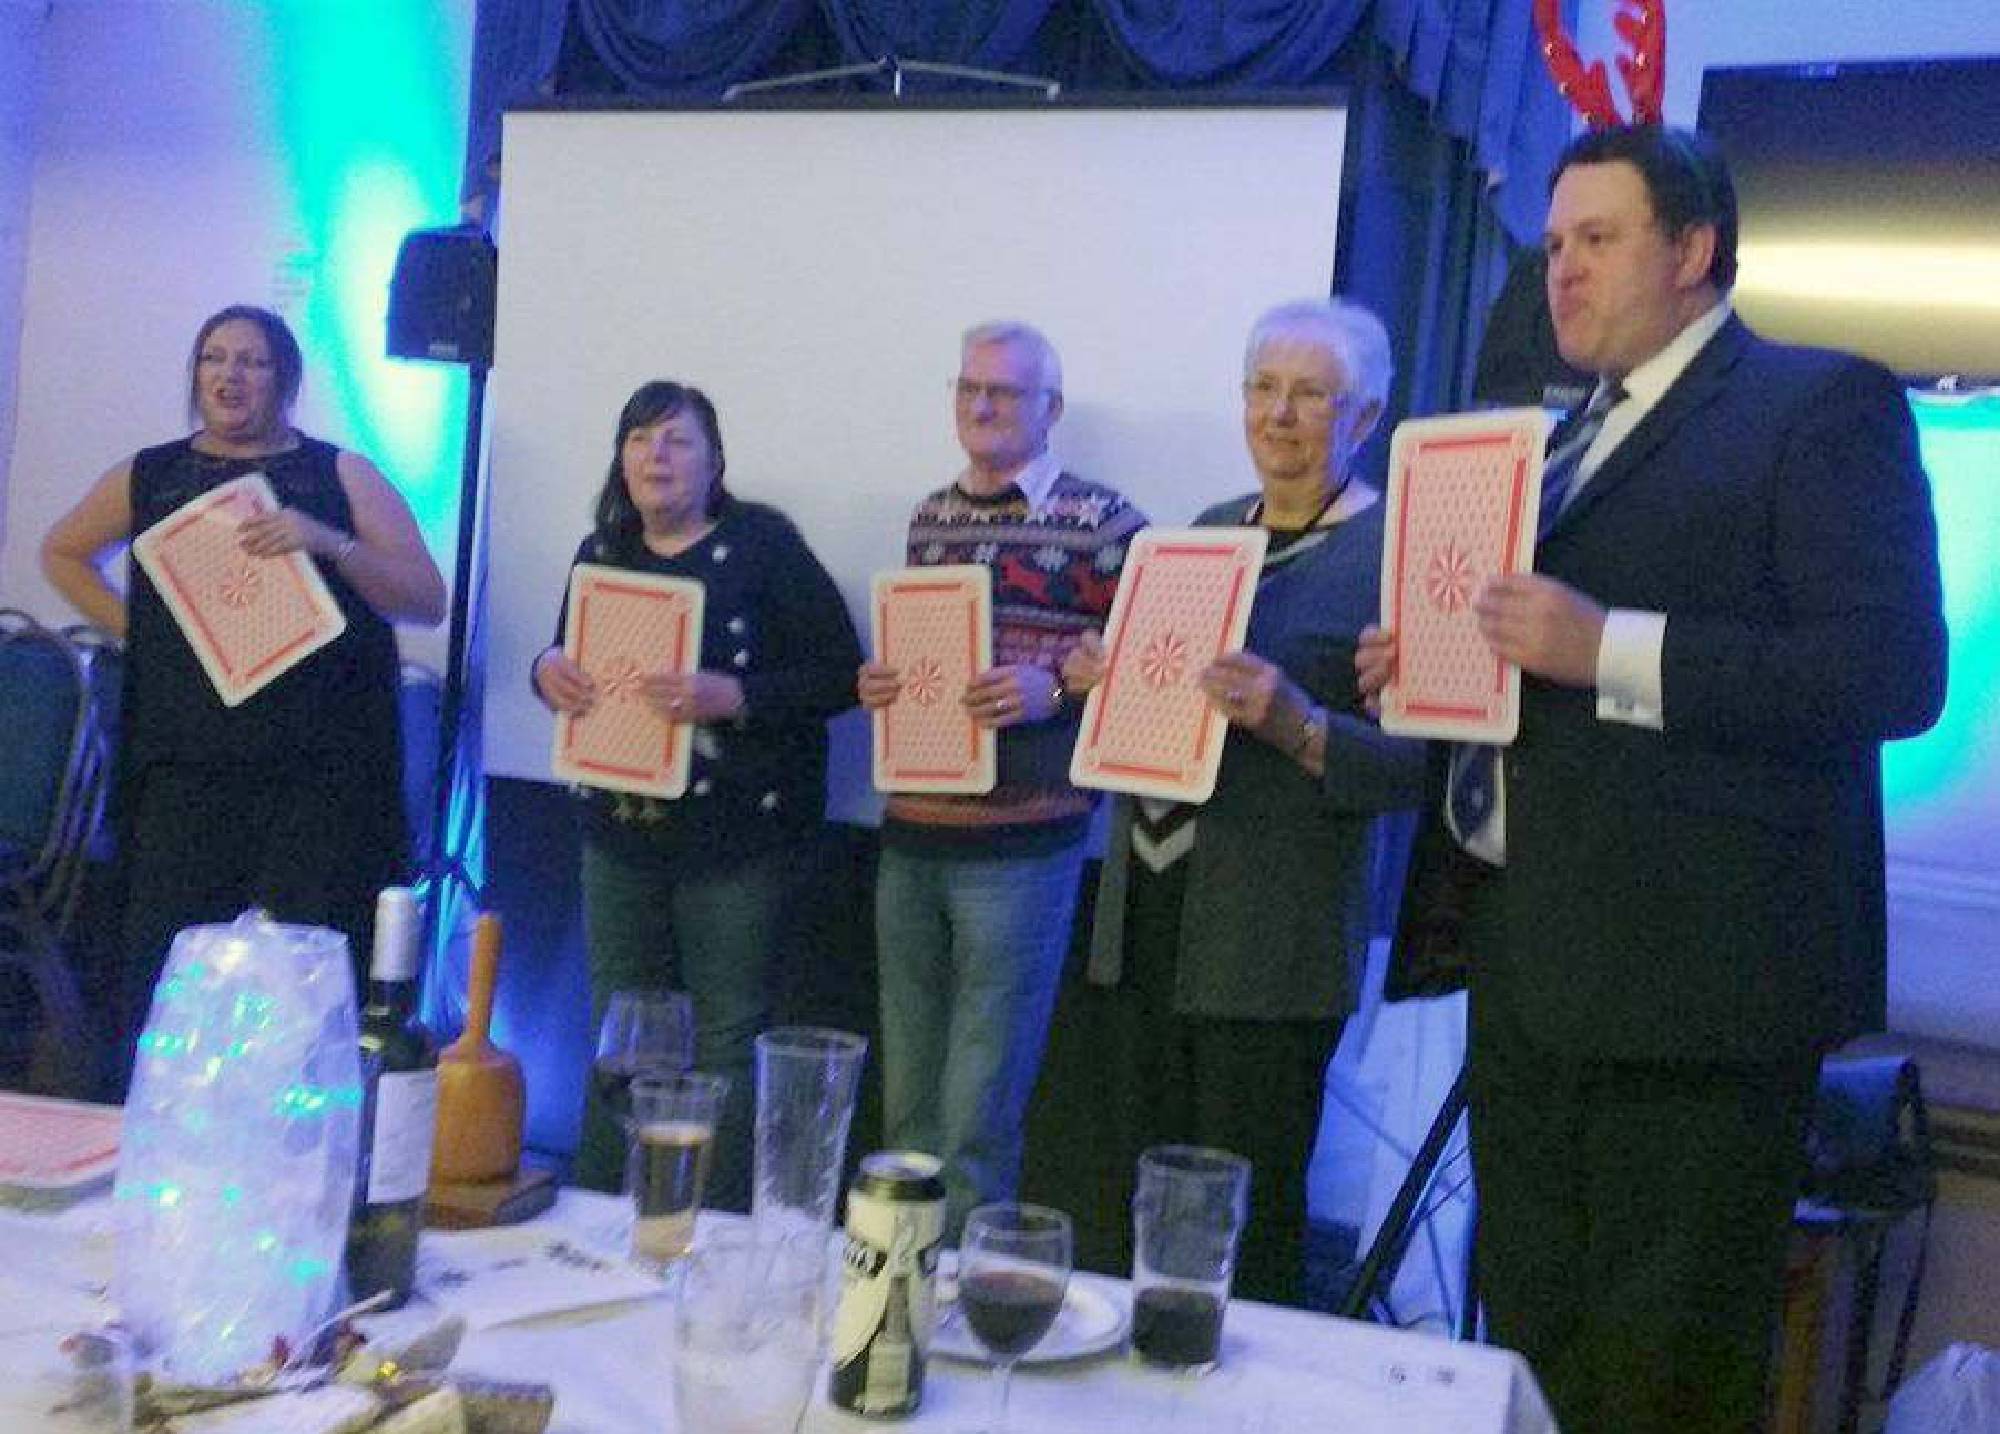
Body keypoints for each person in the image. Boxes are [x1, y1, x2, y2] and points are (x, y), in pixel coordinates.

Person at [1358, 126, 1947, 1431]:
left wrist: (1604, 646)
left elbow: (1890, 674)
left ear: (1693, 250)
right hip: (1526, 966)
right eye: (1551, 245)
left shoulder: (1818, 405)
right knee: (1530, 1355)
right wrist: (1437, 666)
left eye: (1597, 238)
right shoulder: (1558, 441)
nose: (1560, 271)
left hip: (1700, 994)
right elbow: (1541, 674)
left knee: (1662, 1378)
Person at [1052, 298, 1426, 1305]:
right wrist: (1105, 682)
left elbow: (1420, 769)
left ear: (1366, 416)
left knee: (1242, 1221)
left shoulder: (1391, 554)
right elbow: (1161, 705)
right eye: (1262, 388)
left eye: (1310, 394)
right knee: (1137, 1201)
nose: (1279, 414)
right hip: (1145, 917)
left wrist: (1298, 723)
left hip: (1271, 944)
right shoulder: (1204, 534)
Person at [40, 304, 445, 1071]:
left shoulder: (338, 474)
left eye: (252, 361)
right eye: (214, 358)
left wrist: (327, 541)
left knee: (306, 977)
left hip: (316, 778)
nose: (230, 376)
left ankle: (304, 1126)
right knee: (166, 969)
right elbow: (62, 552)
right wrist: (147, 635)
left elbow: (424, 598)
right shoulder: (152, 473)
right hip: (186, 769)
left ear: (284, 380)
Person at [533, 379, 860, 1209]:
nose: (657, 457)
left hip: (738, 842)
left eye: (677, 440)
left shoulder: (764, 546)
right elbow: (568, 657)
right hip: (621, 833)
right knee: (618, 1032)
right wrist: (544, 670)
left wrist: (736, 697)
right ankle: (603, 1217)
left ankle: (710, 1223)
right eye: (640, 439)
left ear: (715, 460)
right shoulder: (602, 551)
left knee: (724, 1037)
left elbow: (840, 675)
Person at [857, 321, 1145, 1233]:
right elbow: (925, 660)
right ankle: (903, 1274)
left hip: (1024, 843)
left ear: (1050, 409)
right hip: (911, 832)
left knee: (979, 1110)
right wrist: (886, 685)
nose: (981, 406)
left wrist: (1051, 689)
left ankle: (964, 1293)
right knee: (907, 1098)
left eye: (1006, 392)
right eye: (968, 388)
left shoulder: (1107, 524)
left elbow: (1148, 675)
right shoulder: (929, 518)